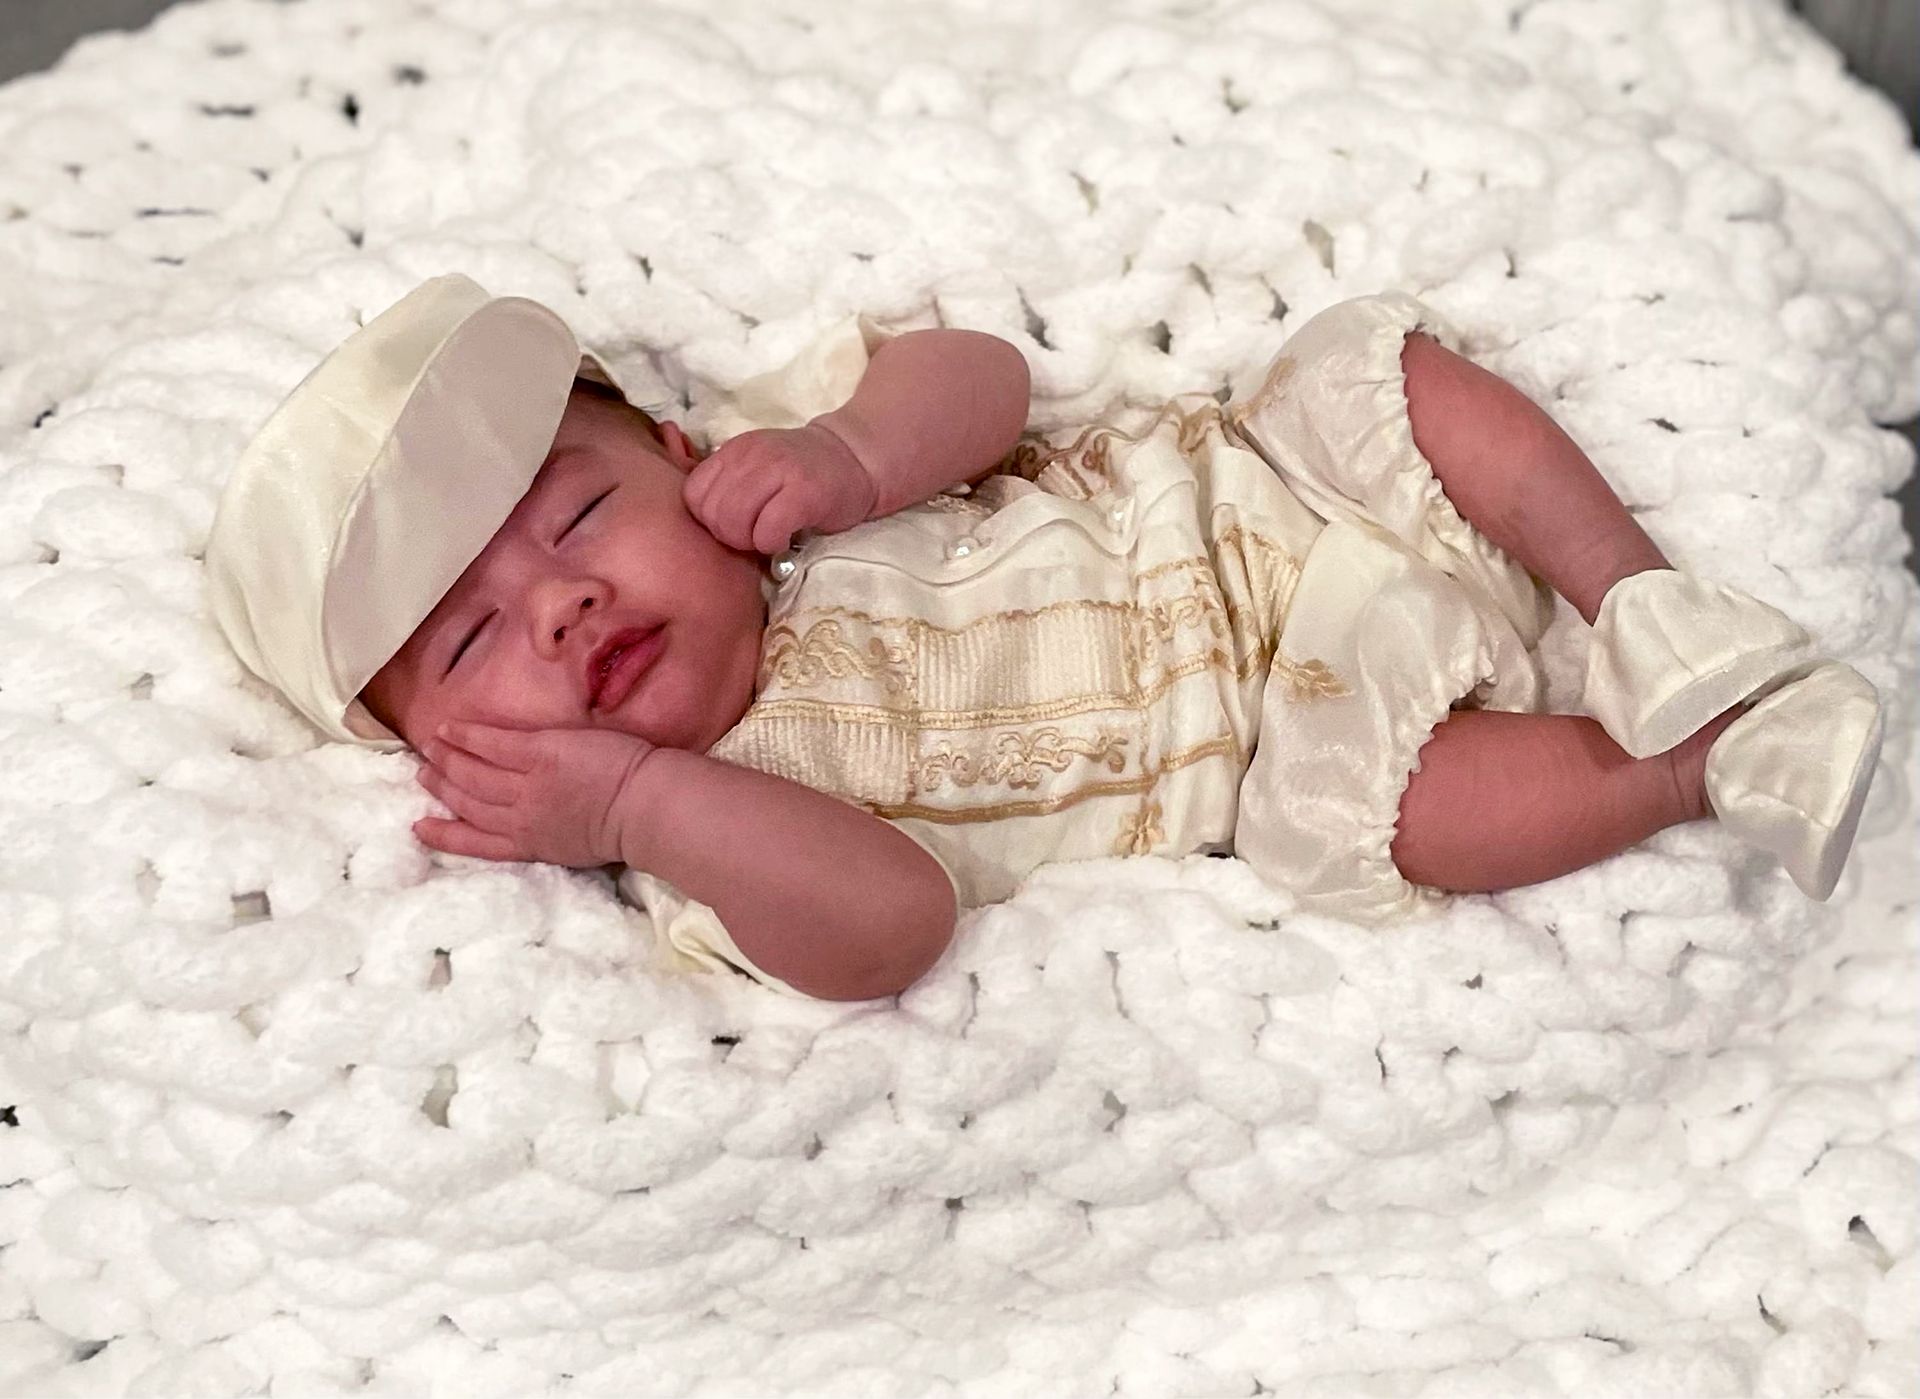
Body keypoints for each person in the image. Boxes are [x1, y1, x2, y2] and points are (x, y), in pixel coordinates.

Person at [205, 274, 1885, 1002]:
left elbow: (982, 373)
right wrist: (631, 807)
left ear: (680, 456)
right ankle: (1703, 761)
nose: (558, 600)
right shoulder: (708, 847)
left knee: (1386, 375)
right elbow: (892, 925)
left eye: (574, 518)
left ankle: (1638, 597)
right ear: (445, 754)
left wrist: (858, 449)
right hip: (1288, 725)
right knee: (1404, 822)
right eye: (473, 639)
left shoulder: (785, 488)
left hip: (1259, 493)